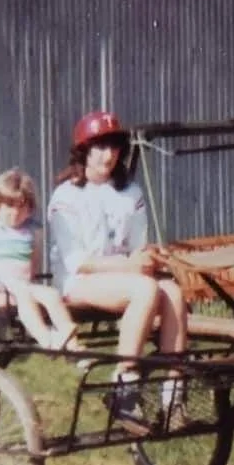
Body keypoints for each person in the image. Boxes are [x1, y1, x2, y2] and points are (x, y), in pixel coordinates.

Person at [47, 110, 189, 433]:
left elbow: (137, 247)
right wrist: (131, 265)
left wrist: (150, 258)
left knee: (174, 292)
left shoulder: (131, 194)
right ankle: (123, 387)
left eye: (114, 147)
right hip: (79, 282)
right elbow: (77, 261)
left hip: (123, 278)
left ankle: (173, 396)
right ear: (83, 151)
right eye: (99, 147)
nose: (108, 155)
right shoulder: (66, 196)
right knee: (146, 290)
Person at [0, 168, 84, 352]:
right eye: (9, 206)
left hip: (21, 287)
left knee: (51, 294)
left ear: (30, 208)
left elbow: (33, 264)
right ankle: (46, 339)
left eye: (21, 206)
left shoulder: (31, 232)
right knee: (25, 295)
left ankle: (71, 342)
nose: (15, 213)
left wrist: (30, 283)